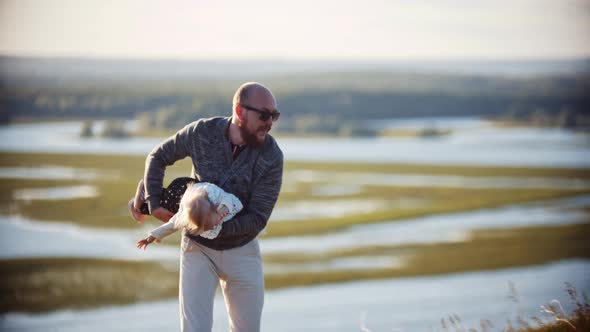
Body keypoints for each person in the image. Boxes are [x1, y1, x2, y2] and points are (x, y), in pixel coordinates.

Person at [141, 82, 283, 332]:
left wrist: (215, 227)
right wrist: (153, 201)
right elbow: (158, 157)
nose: (270, 122)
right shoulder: (201, 132)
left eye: (274, 115)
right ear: (240, 112)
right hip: (198, 249)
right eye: (264, 115)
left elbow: (258, 218)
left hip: (243, 252)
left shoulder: (272, 156)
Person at [131, 178, 243, 249]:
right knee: (166, 203)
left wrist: (224, 208)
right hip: (180, 193)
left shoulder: (218, 199)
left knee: (164, 199)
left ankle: (147, 193)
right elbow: (172, 225)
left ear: (215, 210)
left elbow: (233, 200)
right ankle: (146, 188)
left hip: (191, 189)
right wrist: (151, 237)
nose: (214, 226)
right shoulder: (184, 215)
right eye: (211, 225)